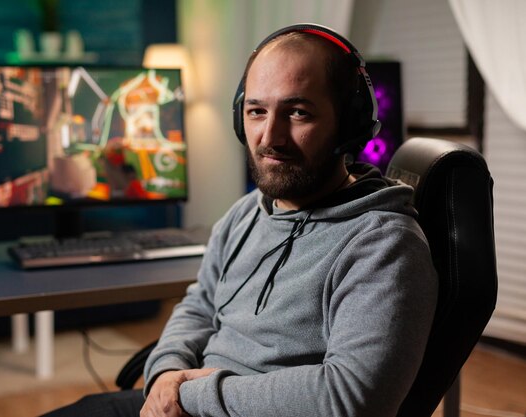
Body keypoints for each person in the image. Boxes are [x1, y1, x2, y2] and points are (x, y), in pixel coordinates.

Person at [42, 23, 438, 417]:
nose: (270, 137)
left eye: (298, 112)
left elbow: (350, 399)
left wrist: (187, 395)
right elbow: (199, 305)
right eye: (256, 111)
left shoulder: (383, 244)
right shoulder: (247, 212)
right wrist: (165, 373)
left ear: (348, 126)